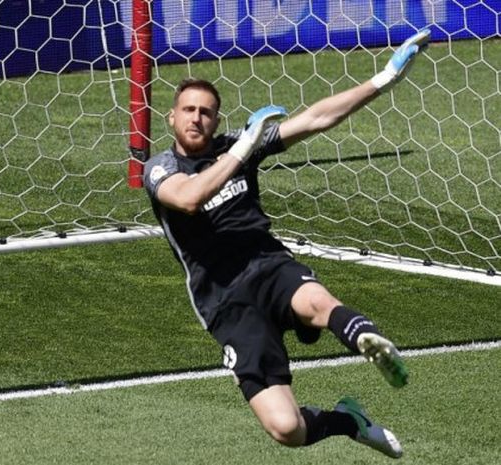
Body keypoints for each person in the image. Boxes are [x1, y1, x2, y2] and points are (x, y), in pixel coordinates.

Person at [143, 29, 431, 459]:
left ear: (217, 120)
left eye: (206, 111)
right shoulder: (160, 168)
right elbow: (189, 198)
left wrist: (383, 79)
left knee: (316, 302)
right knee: (286, 429)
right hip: (224, 301)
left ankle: (370, 340)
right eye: (188, 109)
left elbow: (315, 118)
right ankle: (347, 420)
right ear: (171, 117)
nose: (196, 118)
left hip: (268, 264)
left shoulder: (236, 146)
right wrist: (242, 149)